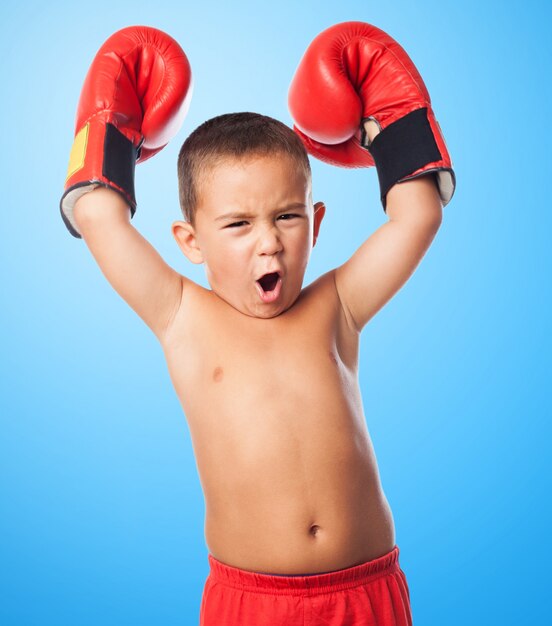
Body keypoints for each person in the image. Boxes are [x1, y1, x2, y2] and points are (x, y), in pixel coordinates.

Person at [60, 21, 455, 626]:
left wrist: (391, 119)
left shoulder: (337, 306)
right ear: (189, 241)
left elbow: (417, 216)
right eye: (238, 224)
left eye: (288, 216)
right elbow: (98, 218)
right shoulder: (182, 316)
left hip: (368, 592)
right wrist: (108, 128)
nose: (268, 242)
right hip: (252, 603)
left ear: (316, 223)